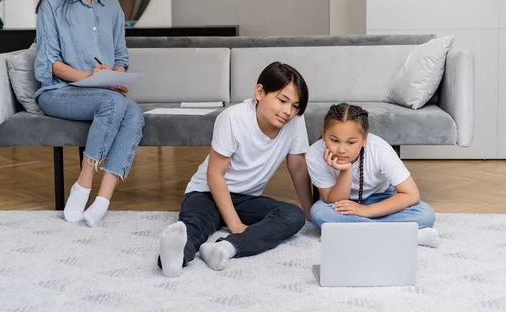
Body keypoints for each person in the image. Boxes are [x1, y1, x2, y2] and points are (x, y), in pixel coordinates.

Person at [157, 62, 314, 277]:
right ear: (260, 92)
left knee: (292, 215)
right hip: (207, 193)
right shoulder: (233, 118)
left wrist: (310, 214)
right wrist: (235, 224)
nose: (288, 111)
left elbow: (298, 167)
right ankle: (174, 259)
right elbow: (214, 175)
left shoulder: (295, 121)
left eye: (295, 105)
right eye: (282, 100)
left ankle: (225, 248)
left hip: (245, 199)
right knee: (193, 227)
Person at [34, 0, 144, 228]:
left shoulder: (112, 5)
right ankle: (84, 184)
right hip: (58, 92)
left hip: (103, 93)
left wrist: (117, 76)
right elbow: (49, 65)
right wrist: (92, 79)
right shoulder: (53, 3)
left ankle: (103, 200)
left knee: (132, 110)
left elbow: (120, 54)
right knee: (113, 102)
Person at [307, 103, 439, 247]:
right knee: (318, 213)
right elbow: (332, 200)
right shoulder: (314, 154)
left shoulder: (380, 150)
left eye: (351, 142)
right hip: (343, 204)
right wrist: (346, 171)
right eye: (334, 140)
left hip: (381, 198)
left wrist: (366, 211)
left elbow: (412, 195)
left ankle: (346, 233)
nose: (341, 149)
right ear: (324, 132)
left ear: (364, 139)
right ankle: (400, 235)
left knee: (425, 214)